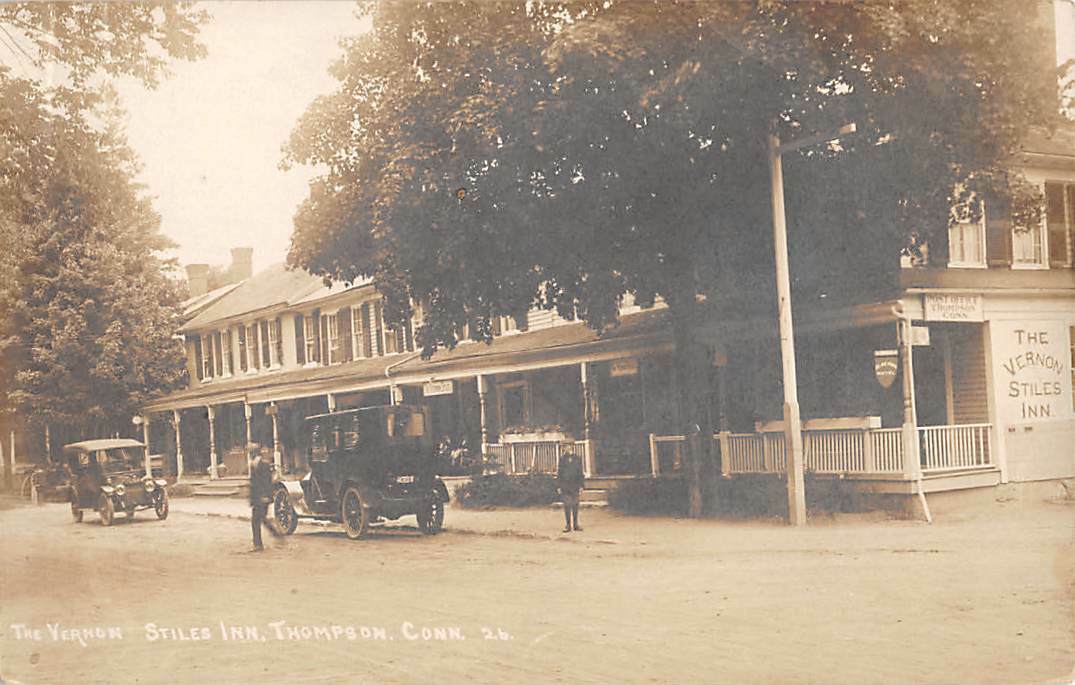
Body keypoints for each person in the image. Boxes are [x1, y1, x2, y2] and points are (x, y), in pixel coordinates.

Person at [248, 444, 280, 551]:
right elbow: (253, 484)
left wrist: (266, 496)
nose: (249, 454)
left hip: (263, 497)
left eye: (250, 452)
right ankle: (275, 536)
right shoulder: (253, 464)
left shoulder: (264, 465)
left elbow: (267, 483)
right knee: (261, 519)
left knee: (257, 520)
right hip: (257, 498)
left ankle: (258, 544)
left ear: (254, 453)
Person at [556, 447, 584, 533]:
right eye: (565, 446)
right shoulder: (562, 459)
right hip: (565, 485)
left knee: (575, 504)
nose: (566, 448)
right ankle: (568, 525)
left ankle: (575, 524)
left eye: (568, 446)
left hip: (575, 485)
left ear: (572, 447)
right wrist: (559, 486)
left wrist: (581, 485)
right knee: (567, 505)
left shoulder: (577, 458)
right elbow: (559, 473)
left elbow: (580, 472)